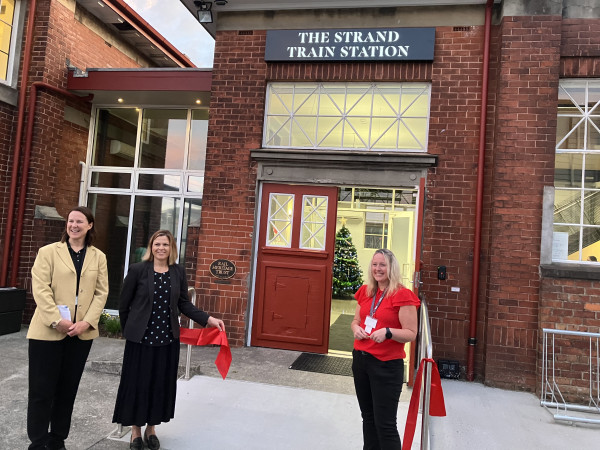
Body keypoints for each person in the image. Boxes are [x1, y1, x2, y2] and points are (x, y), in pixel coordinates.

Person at [112, 230, 225, 450]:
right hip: (140, 342)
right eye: (157, 244)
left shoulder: (177, 272)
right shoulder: (137, 270)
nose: (161, 248)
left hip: (167, 341)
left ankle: (151, 428)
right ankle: (135, 431)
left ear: (171, 248)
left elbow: (184, 304)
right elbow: (124, 305)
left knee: (158, 385)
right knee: (137, 385)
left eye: (165, 244)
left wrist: (209, 319)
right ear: (151, 246)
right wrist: (130, 332)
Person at [27, 206, 109, 450]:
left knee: (67, 391)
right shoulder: (48, 252)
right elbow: (40, 289)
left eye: (79, 221)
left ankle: (57, 439)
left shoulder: (98, 257)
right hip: (47, 331)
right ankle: (38, 442)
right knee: (41, 391)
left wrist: (87, 322)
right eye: (70, 221)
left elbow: (101, 293)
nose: (74, 225)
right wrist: (56, 320)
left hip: (80, 333)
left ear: (89, 225)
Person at [351, 248, 420, 450]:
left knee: (385, 424)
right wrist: (356, 329)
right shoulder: (366, 291)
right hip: (361, 361)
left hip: (386, 367)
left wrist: (388, 332)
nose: (378, 269)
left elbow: (411, 333)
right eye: (375, 264)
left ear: (391, 268)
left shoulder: (402, 295)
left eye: (382, 265)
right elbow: (356, 320)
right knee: (368, 418)